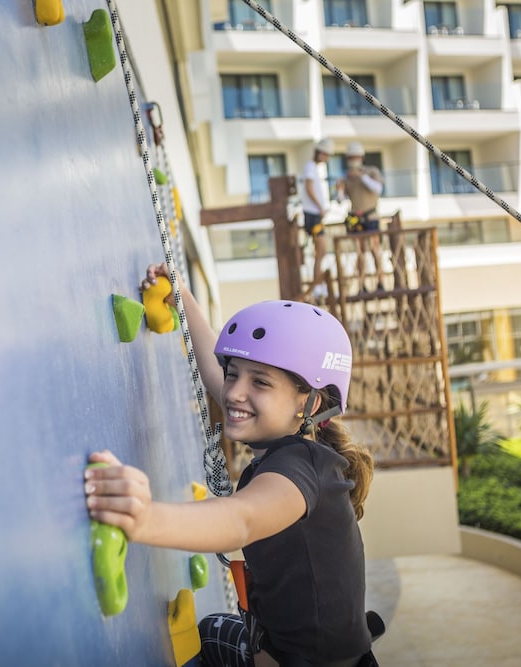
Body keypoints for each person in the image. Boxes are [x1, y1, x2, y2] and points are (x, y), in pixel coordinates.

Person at [85, 264, 377, 667]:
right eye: (233, 374)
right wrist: (182, 299)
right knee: (208, 633)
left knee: (208, 640)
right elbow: (214, 373)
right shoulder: (296, 446)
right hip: (280, 646)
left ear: (308, 403)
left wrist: (144, 520)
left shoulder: (301, 472)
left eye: (260, 382)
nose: (235, 392)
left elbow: (241, 520)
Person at [335, 142, 385, 292]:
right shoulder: (346, 177)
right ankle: (362, 284)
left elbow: (378, 189)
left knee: (375, 251)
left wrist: (361, 177)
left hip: (371, 216)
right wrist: (339, 190)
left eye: (355, 157)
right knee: (359, 253)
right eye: (350, 157)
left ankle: (380, 282)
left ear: (361, 157)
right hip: (355, 218)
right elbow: (339, 200)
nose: (353, 160)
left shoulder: (371, 172)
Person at [301, 138, 333, 302]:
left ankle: (318, 285)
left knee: (320, 252)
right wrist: (320, 206)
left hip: (314, 215)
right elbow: (308, 187)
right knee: (321, 251)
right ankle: (318, 286)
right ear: (320, 153)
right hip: (313, 216)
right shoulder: (310, 167)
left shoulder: (313, 168)